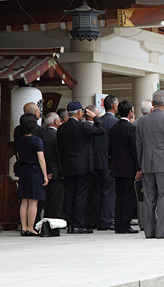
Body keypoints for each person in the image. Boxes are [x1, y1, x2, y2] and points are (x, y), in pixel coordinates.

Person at [136, 90, 164, 239]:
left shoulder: (141, 121)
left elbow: (138, 145)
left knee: (149, 199)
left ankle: (149, 231)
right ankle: (162, 232)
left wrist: (140, 165)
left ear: (153, 103)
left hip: (147, 164)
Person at [57, 101, 105, 234]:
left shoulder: (61, 128)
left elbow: (59, 150)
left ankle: (70, 225)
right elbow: (101, 130)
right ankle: (78, 225)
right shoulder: (83, 126)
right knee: (81, 196)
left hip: (67, 166)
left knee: (70, 195)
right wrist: (95, 117)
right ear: (79, 113)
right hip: (83, 167)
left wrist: (62, 168)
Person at [109, 101, 141, 234]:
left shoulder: (113, 128)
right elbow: (134, 151)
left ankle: (118, 225)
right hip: (129, 168)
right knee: (129, 197)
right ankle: (125, 224)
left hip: (116, 168)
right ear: (130, 112)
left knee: (119, 197)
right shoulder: (131, 129)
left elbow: (110, 149)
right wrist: (139, 168)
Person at [16, 114, 49, 236]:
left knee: (24, 200)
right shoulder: (37, 140)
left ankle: (24, 227)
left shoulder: (19, 140)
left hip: (24, 171)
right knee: (33, 201)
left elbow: (19, 157)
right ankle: (31, 227)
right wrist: (45, 175)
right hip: (35, 172)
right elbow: (41, 159)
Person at [93, 95, 119, 231]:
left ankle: (99, 220)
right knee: (109, 192)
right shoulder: (115, 122)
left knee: (99, 192)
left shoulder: (98, 121)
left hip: (97, 161)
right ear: (114, 106)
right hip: (109, 162)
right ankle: (107, 220)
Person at [44, 112, 64, 219]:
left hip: (45, 170)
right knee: (56, 199)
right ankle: (54, 222)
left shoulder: (43, 134)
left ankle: (46, 220)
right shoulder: (56, 135)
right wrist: (63, 171)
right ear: (56, 121)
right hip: (56, 171)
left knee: (47, 198)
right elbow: (59, 154)